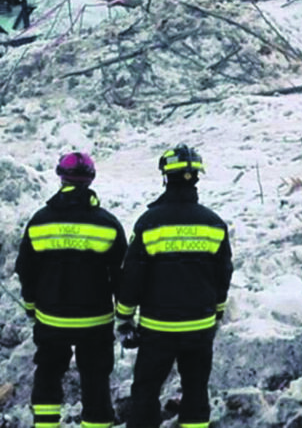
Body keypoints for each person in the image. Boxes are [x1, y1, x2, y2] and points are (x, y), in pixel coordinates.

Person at [117, 144, 233, 428]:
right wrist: (217, 312)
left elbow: (132, 275)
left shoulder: (149, 223)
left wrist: (124, 317)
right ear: (196, 178)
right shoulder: (214, 224)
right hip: (200, 326)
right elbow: (224, 274)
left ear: (165, 177)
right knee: (196, 391)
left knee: (146, 391)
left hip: (159, 328)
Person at [16, 151, 127, 428]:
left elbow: (26, 269)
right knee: (96, 379)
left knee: (48, 373)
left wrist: (31, 306)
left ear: (61, 177)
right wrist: (124, 312)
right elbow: (123, 273)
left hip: (51, 318)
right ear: (90, 179)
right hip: (95, 321)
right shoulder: (106, 223)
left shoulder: (40, 221)